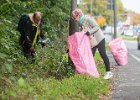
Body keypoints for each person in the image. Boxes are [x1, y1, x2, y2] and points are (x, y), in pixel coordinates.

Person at [71, 9, 113, 79]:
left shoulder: (88, 19)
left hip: (99, 39)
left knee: (103, 54)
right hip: (93, 42)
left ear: (78, 15)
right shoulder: (82, 23)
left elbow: (96, 27)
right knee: (89, 56)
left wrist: (89, 32)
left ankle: (109, 72)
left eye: (75, 18)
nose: (75, 20)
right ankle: (90, 73)